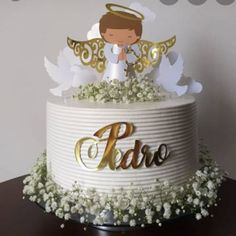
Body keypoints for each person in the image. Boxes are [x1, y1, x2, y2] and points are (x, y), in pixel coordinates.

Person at [99, 6, 143, 81]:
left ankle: (131, 86)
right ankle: (109, 84)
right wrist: (117, 57)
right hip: (112, 70)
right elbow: (107, 54)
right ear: (103, 34)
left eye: (129, 36)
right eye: (111, 35)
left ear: (137, 36)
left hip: (128, 70)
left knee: (129, 81)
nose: (120, 39)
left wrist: (127, 57)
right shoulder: (109, 45)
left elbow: (137, 54)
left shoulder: (132, 45)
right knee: (110, 79)